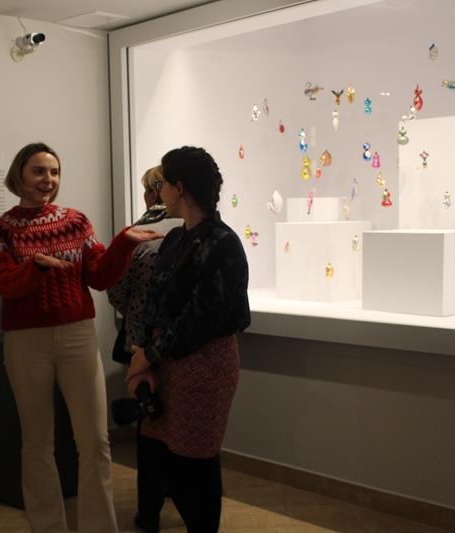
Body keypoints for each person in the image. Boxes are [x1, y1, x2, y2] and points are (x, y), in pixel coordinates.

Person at [0, 142, 160, 533]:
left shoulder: (76, 222)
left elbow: (99, 276)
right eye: (38, 171)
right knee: (37, 441)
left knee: (95, 440)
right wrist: (37, 267)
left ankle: (100, 528)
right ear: (19, 175)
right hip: (26, 341)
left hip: (77, 334)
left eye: (54, 172)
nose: (48, 179)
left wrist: (124, 243)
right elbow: (4, 283)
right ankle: (48, 526)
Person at [127, 146, 251, 533]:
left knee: (194, 463)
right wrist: (144, 358)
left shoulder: (222, 243)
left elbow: (202, 320)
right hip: (166, 362)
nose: (159, 191)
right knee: (162, 454)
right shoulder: (176, 239)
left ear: (179, 187)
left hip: (204, 364)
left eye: (164, 183)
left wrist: (148, 355)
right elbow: (155, 303)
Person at [107, 164, 181, 533]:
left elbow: (116, 290)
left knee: (149, 424)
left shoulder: (136, 235)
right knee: (184, 421)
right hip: (184, 344)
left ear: (155, 193)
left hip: (142, 342)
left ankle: (149, 512)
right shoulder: (198, 232)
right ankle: (183, 496)